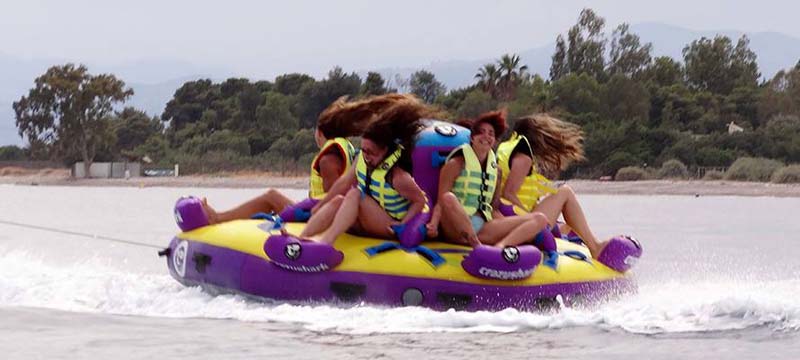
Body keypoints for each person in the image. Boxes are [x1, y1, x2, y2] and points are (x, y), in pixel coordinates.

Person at [200, 94, 412, 224]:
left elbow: (333, 194)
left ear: (320, 132)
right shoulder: (346, 147)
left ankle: (218, 218)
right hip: (323, 208)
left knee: (271, 197)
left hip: (317, 212)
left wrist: (311, 211)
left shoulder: (328, 157)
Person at [298, 100, 433, 245]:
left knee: (355, 194)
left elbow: (420, 200)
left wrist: (404, 224)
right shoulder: (361, 159)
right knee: (337, 200)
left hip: (387, 224)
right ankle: (301, 238)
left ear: (385, 150)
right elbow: (344, 182)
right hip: (368, 219)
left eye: (371, 152)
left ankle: (326, 242)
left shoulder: (398, 176)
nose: (366, 156)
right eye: (364, 150)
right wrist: (320, 205)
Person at [425, 111, 549, 248]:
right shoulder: (455, 164)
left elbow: (494, 209)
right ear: (472, 138)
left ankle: (499, 247)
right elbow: (441, 202)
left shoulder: (496, 170)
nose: (486, 136)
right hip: (455, 227)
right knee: (448, 197)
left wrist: (513, 225)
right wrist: (434, 224)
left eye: (491, 134)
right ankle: (477, 245)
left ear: (494, 141)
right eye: (481, 132)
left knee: (540, 219)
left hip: (482, 226)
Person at [496, 113, 607, 257]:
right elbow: (509, 193)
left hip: (507, 214)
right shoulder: (523, 156)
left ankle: (575, 238)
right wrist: (530, 220)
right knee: (565, 192)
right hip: (516, 218)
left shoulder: (506, 147)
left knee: (564, 224)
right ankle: (594, 247)